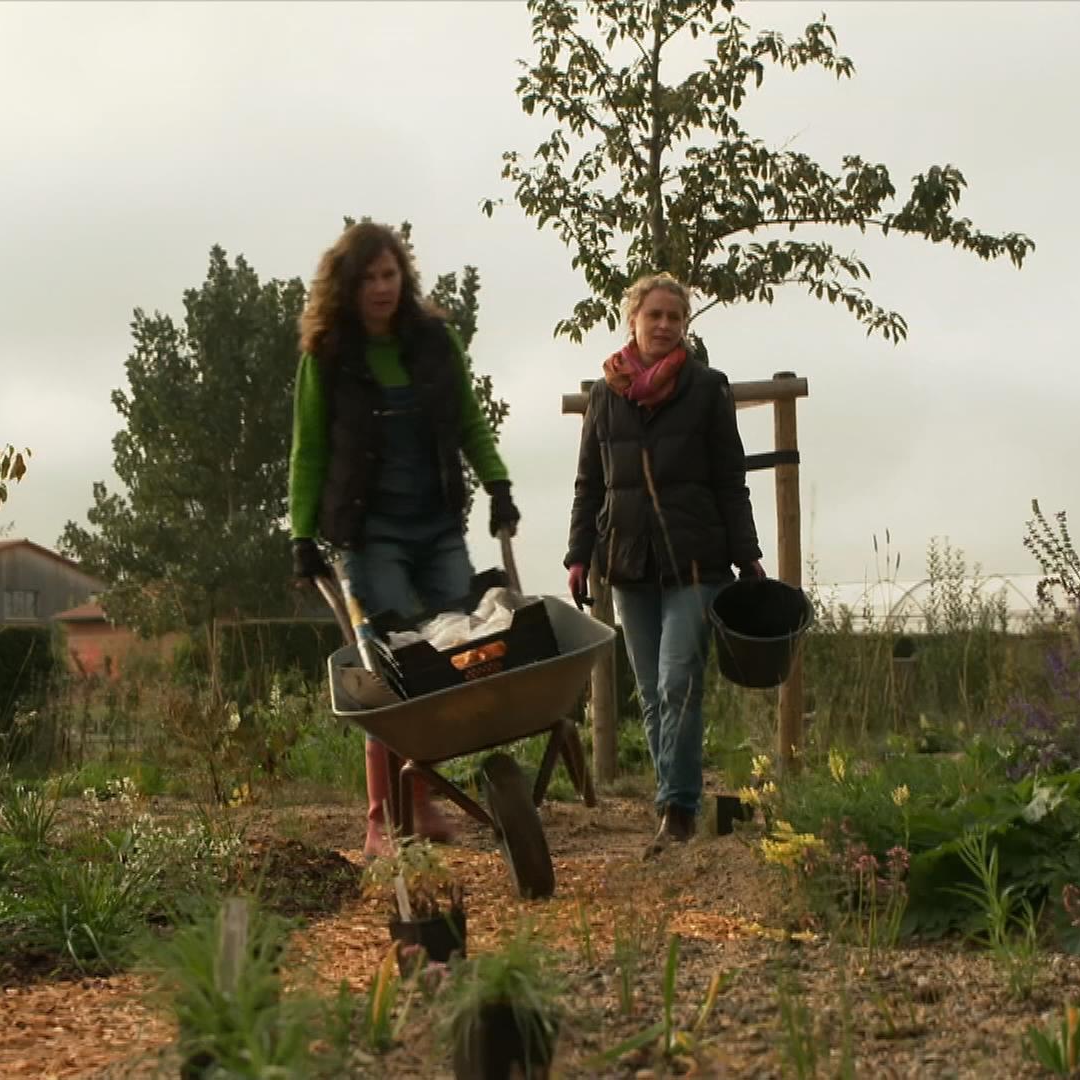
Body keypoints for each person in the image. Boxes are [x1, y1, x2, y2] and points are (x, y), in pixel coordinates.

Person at [288, 221, 520, 859]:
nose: (381, 288)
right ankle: (382, 821)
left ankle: (421, 799)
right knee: (391, 668)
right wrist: (301, 535)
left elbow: (468, 418)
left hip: (437, 523)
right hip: (371, 533)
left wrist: (497, 484)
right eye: (368, 279)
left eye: (389, 275)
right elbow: (309, 452)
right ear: (348, 286)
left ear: (403, 278)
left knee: (457, 655)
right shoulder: (328, 357)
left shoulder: (433, 343)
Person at [564, 272, 763, 850]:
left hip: (696, 562)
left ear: (685, 327)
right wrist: (580, 555)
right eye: (655, 315)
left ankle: (676, 809)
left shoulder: (707, 388)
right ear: (633, 320)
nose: (665, 325)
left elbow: (731, 478)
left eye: (675, 317)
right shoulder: (605, 395)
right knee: (650, 691)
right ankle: (672, 800)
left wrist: (746, 553)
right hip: (628, 562)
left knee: (680, 682)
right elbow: (589, 484)